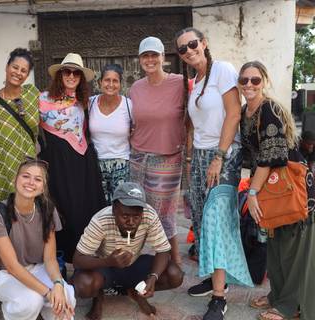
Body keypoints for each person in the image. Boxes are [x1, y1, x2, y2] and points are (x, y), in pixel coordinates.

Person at [175, 27, 253, 319]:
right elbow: (194, 126)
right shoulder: (194, 82)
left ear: (204, 43)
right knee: (201, 221)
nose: (189, 51)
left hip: (224, 155)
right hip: (201, 157)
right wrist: (191, 159)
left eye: (192, 44)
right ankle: (214, 279)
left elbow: (233, 114)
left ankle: (220, 298)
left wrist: (219, 157)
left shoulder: (221, 69)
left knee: (217, 222)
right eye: (182, 49)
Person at [239, 61, 315, 320]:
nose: (249, 84)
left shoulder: (268, 109)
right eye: (244, 80)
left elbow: (273, 156)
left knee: (293, 249)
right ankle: (277, 295)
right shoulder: (245, 112)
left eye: (255, 80)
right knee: (276, 246)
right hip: (269, 187)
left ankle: (290, 305)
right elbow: (252, 156)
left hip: (290, 187)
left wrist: (252, 192)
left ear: (265, 82)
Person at [72, 182, 183, 320]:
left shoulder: (149, 215)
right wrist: (108, 261)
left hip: (134, 263)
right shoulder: (100, 220)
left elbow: (163, 250)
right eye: (125, 216)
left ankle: (136, 291)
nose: (131, 222)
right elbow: (77, 260)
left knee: (175, 275)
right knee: (84, 284)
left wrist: (153, 277)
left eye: (136, 217)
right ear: (114, 210)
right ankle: (98, 297)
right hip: (105, 267)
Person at [0, 158, 76, 320]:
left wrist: (57, 285)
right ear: (15, 180)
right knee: (31, 301)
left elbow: (49, 258)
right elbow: (12, 266)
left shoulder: (47, 209)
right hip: (5, 273)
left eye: (38, 179)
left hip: (36, 267)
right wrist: (48, 293)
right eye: (25, 176)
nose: (31, 182)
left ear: (43, 187)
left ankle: (49, 314)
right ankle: (13, 311)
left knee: (66, 297)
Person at [39, 53, 106, 264]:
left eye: (76, 73)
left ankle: (84, 258)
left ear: (80, 78)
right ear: (59, 75)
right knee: (61, 208)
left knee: (83, 209)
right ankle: (60, 258)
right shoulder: (41, 100)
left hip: (82, 162)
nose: (71, 76)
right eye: (66, 71)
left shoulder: (85, 102)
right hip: (57, 163)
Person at [128, 36, 185, 265]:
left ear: (163, 57)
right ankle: (132, 255)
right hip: (138, 157)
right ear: (140, 60)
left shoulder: (180, 83)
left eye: (154, 55)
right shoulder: (135, 88)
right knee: (135, 209)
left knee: (164, 212)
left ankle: (173, 258)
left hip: (168, 158)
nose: (150, 60)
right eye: (145, 56)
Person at [0, 48, 40, 203]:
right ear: (7, 67)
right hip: (2, 167)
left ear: (27, 75)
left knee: (30, 211)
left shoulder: (32, 94)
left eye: (24, 70)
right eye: (15, 67)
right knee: (6, 216)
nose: (18, 73)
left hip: (28, 166)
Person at [88, 64, 132, 203]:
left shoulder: (128, 105)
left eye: (115, 81)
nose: (111, 84)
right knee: (99, 206)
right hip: (96, 164)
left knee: (120, 205)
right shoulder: (90, 103)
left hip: (122, 164)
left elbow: (138, 130)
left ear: (120, 84)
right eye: (107, 80)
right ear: (100, 82)